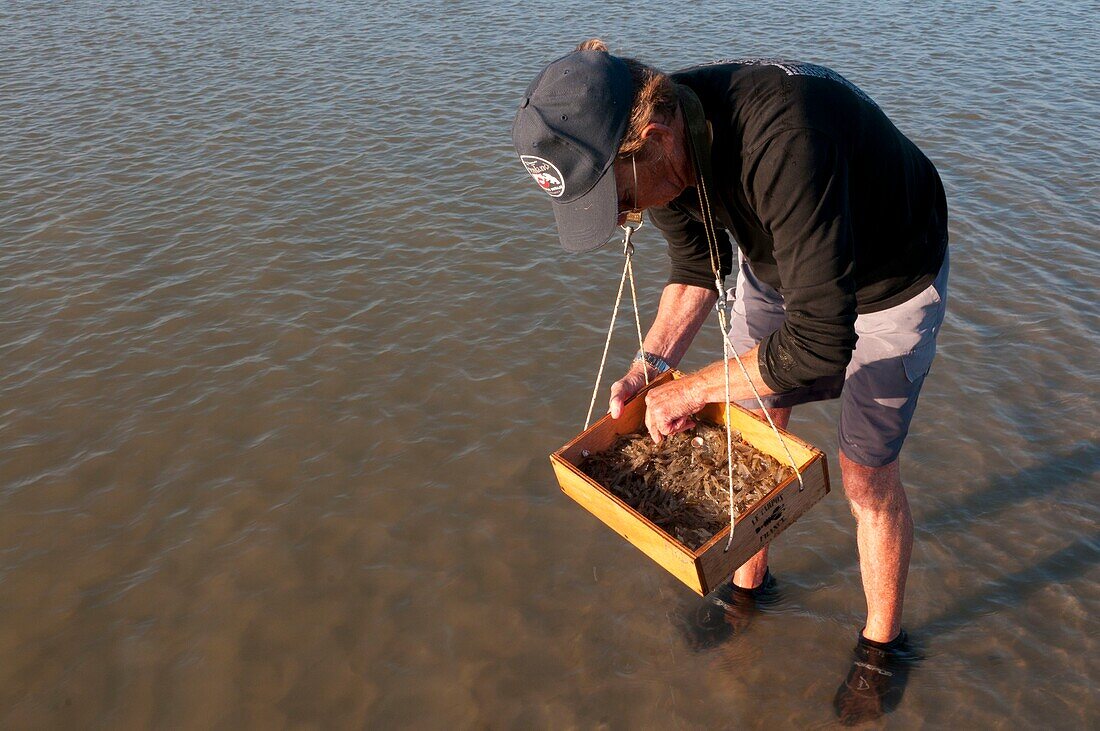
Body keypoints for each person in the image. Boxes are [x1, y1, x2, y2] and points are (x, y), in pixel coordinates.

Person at [513, 39, 947, 724]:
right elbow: (694, 270)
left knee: (866, 476)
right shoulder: (665, 151)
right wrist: (650, 366)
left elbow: (820, 343)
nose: (623, 216)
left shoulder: (783, 142)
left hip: (890, 273)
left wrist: (692, 389)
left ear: (653, 139)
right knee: (756, 433)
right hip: (787, 262)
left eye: (619, 199)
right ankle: (751, 587)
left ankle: (880, 644)